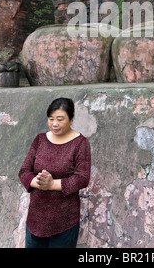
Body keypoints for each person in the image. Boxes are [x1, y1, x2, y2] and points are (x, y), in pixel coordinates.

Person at [18, 97, 91, 248]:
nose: (54, 124)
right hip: (35, 219)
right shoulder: (40, 140)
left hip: (64, 221)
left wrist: (51, 184)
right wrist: (39, 182)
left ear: (71, 120)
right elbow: (24, 171)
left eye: (60, 119)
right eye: (51, 119)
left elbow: (82, 178)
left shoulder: (80, 143)